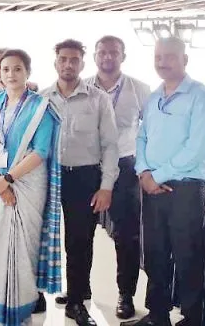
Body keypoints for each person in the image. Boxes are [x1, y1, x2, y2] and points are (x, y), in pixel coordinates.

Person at [124, 37, 205, 326]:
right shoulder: (154, 97)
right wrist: (144, 172)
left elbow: (196, 149)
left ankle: (192, 319)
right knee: (155, 254)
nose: (162, 62)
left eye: (169, 56)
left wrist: (157, 176)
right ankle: (157, 316)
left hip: (185, 190)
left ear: (185, 60)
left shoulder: (203, 97)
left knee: (187, 255)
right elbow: (141, 137)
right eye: (158, 57)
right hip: (152, 187)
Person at [0, 49, 63, 325]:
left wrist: (9, 179)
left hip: (27, 185)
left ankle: (23, 309)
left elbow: (40, 151)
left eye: (17, 69)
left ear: (28, 72)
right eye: (5, 69)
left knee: (25, 248)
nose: (11, 74)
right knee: (0, 246)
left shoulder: (41, 107)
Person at [40, 39, 119, 326]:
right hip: (48, 176)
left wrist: (106, 186)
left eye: (74, 60)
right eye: (63, 59)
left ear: (82, 64)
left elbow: (110, 145)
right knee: (42, 237)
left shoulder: (98, 99)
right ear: (55, 63)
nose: (68, 64)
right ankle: (37, 294)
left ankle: (76, 301)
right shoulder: (42, 98)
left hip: (85, 178)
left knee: (79, 241)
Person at [85, 35, 151, 320]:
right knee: (81, 232)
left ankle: (126, 295)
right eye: (102, 52)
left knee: (127, 235)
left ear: (123, 56)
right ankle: (79, 289)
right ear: (95, 56)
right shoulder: (82, 87)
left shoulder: (140, 89)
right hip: (88, 167)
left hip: (125, 168)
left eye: (114, 52)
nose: (107, 57)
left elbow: (150, 132)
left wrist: (145, 167)